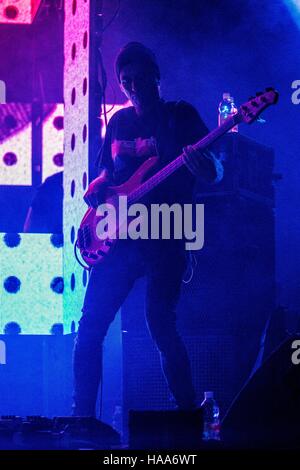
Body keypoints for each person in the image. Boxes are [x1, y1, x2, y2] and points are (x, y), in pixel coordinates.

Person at [72, 42, 223, 416]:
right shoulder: (120, 122)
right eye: (126, 81)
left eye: (141, 79)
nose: (134, 87)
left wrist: (207, 168)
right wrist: (98, 184)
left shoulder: (179, 115)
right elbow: (107, 170)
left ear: (157, 78)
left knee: (159, 322)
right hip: (118, 237)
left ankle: (187, 412)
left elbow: (216, 166)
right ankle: (82, 419)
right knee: (90, 325)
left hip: (164, 234)